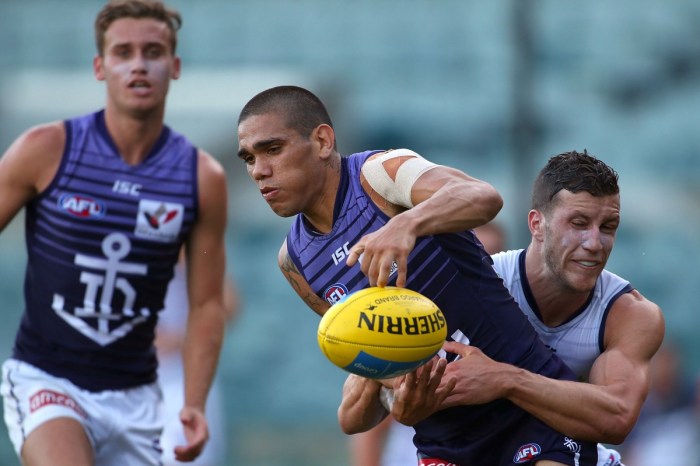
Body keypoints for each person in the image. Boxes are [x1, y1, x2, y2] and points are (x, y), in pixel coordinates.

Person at [236, 85, 598, 465]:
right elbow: (378, 376)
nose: (259, 171)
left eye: (272, 150)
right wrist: (399, 399)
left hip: (530, 412)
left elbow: (483, 196)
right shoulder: (295, 262)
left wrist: (405, 225)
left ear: (323, 141)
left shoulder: (379, 176)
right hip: (447, 447)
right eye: (248, 158)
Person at [0, 1, 229, 465]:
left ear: (175, 65)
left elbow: (207, 304)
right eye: (123, 52)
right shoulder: (46, 149)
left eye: (153, 51)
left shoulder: (200, 177)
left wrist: (194, 402)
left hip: (138, 401)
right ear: (100, 67)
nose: (139, 65)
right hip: (47, 380)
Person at [430, 150, 665, 465]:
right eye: (579, 223)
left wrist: (505, 379)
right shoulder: (479, 284)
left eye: (608, 227)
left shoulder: (630, 314)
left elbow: (616, 418)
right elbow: (362, 409)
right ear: (537, 224)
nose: (595, 243)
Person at [348, 221, 508, 466]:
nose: (480, 273)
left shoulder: (508, 339)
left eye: (491, 261)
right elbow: (366, 430)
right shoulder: (412, 336)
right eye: (471, 261)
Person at [156, 250, 239, 466]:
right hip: (136, 378)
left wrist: (181, 339)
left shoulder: (180, 241)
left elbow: (228, 304)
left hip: (182, 380)